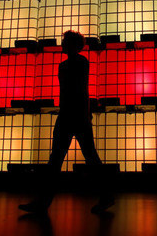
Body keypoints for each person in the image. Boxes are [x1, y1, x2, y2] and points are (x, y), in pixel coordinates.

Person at [19, 30, 114, 215]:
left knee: (56, 160)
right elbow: (83, 91)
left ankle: (43, 202)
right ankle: (106, 195)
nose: (62, 45)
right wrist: (87, 114)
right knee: (89, 157)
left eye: (64, 42)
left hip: (69, 116)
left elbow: (73, 92)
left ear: (71, 45)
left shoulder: (66, 66)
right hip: (77, 116)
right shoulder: (82, 63)